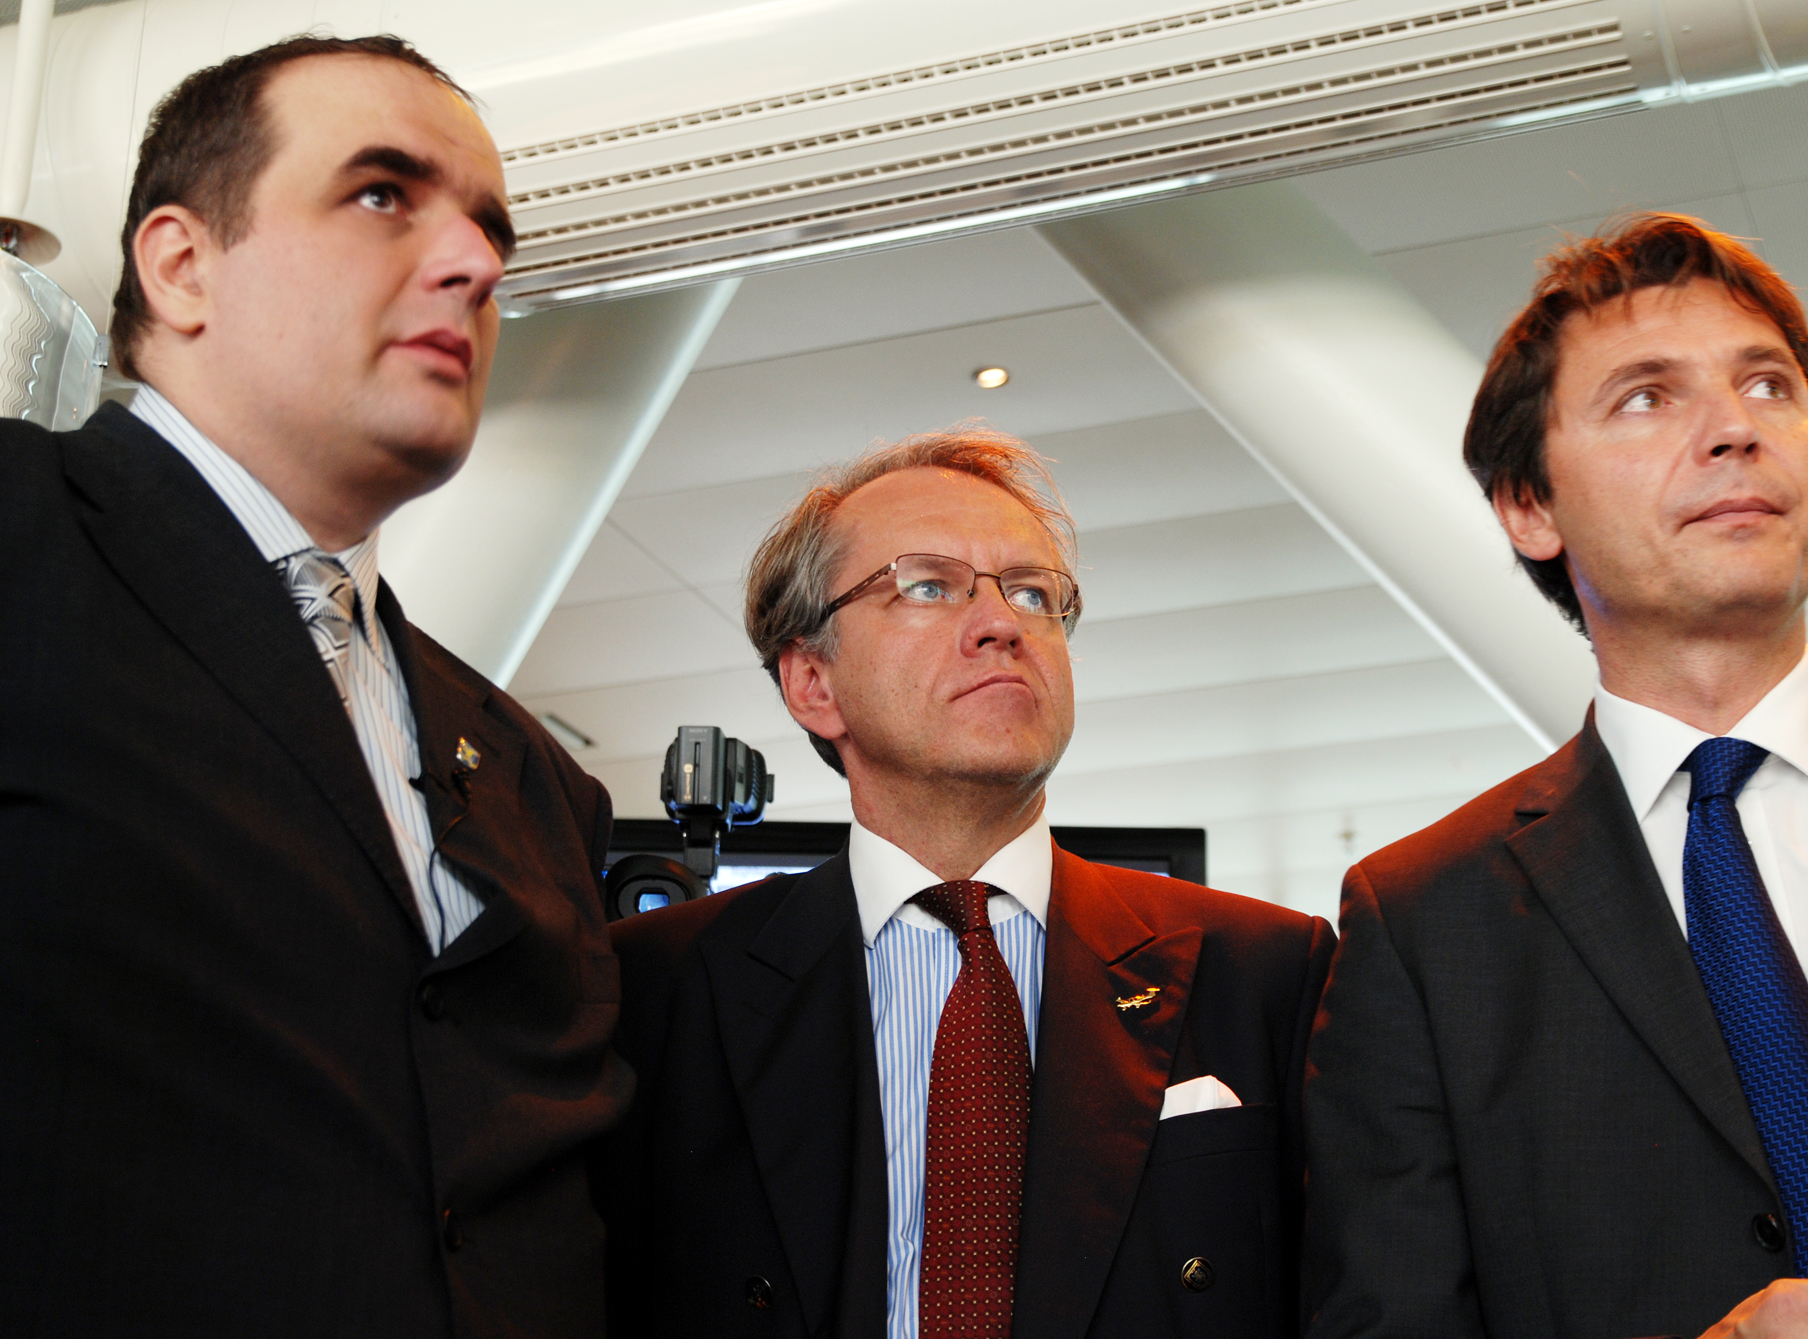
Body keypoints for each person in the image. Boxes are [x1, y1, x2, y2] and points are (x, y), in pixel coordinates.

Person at [0, 36, 630, 1337]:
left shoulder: (536, 779)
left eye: (488, 230)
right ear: (182, 266)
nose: (474, 264)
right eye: (383, 194)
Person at [1302, 212, 1808, 1339]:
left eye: (1769, 386)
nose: (1734, 428)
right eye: (1646, 396)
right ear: (1528, 507)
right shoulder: (1420, 926)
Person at [596, 428, 1334, 1338]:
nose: (1002, 623)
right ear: (813, 682)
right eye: (928, 584)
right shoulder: (656, 990)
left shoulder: (1265, 970)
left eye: (1033, 592)